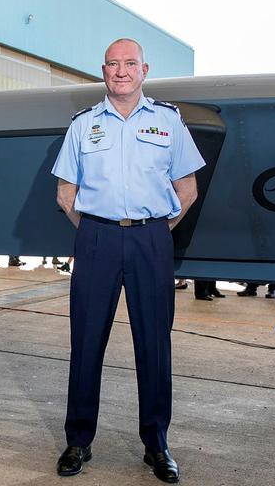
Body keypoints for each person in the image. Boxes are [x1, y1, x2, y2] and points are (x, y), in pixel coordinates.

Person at [51, 38, 205, 483]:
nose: (121, 71)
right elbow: (66, 194)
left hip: (151, 239)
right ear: (103, 71)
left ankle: (156, 445)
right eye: (113, 64)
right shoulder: (82, 124)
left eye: (130, 64)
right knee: (86, 342)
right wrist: (99, 233)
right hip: (96, 238)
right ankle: (78, 441)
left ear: (144, 70)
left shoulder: (169, 122)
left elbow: (187, 190)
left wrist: (155, 233)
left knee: (154, 345)